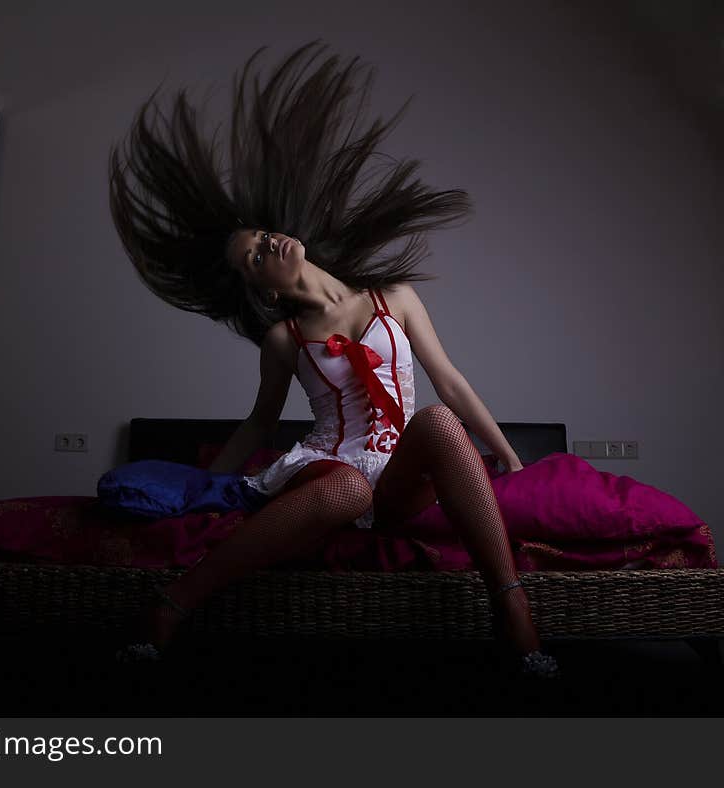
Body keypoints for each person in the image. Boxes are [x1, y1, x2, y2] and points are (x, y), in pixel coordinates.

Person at [107, 40, 559, 678]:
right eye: (256, 257)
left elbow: (449, 382)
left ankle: (511, 607)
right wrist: (214, 487)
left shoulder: (393, 298)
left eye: (263, 236)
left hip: (398, 471)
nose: (269, 245)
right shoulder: (285, 340)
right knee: (347, 486)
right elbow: (261, 424)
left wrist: (507, 455)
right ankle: (174, 603)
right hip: (328, 471)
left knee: (432, 421)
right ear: (260, 286)